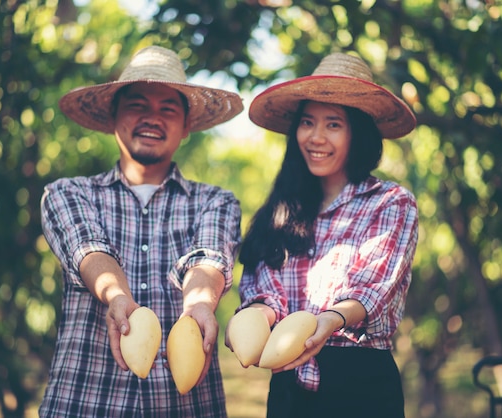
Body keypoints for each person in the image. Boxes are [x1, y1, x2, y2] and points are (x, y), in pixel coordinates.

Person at [39, 45, 243, 417]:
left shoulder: (216, 202)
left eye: (168, 109)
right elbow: (88, 248)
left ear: (185, 129)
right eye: (137, 105)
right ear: (113, 117)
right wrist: (116, 296)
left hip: (184, 407)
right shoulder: (68, 193)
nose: (153, 118)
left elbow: (208, 257)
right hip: (85, 404)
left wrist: (199, 304)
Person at [227, 52, 419, 417]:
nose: (316, 137)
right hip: (287, 389)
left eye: (333, 125)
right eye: (307, 122)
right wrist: (251, 317)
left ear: (357, 133)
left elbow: (372, 288)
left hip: (359, 387)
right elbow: (262, 286)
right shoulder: (282, 209)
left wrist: (328, 321)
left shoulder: (390, 202)